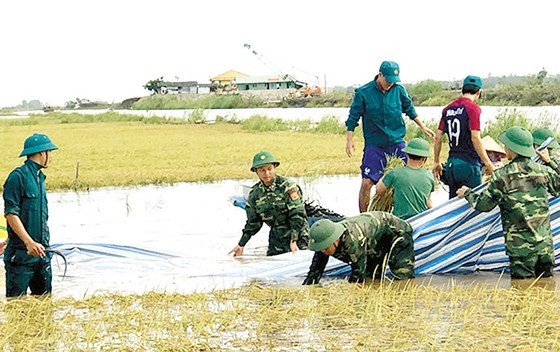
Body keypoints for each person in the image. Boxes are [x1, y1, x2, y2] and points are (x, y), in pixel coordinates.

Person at [457, 126, 560, 279]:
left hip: (521, 251)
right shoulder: (542, 171)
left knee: (521, 294)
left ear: (513, 149)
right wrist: (550, 162)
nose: (504, 149)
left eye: (506, 146)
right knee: (545, 289)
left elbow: (484, 205)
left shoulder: (501, 176)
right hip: (545, 247)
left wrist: (467, 193)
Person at [345, 60, 435, 213]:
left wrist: (423, 126)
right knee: (367, 183)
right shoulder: (363, 92)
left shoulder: (399, 90)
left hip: (397, 143)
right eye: (388, 80)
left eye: (394, 81)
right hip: (375, 144)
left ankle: (415, 212)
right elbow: (353, 117)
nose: (390, 84)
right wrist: (349, 140)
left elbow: (409, 109)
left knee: (412, 174)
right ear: (380, 75)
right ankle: (364, 216)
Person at [3, 133, 58, 297]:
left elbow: (32, 216)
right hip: (21, 256)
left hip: (41, 252)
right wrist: (28, 242)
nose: (51, 156)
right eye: (50, 152)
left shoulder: (40, 178)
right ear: (42, 153)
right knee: (16, 305)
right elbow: (11, 214)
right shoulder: (17, 177)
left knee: (44, 302)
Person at [229, 151, 309, 256]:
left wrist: (294, 239)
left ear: (274, 168)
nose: (267, 174)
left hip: (298, 234)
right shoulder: (255, 194)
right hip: (276, 237)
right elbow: (253, 222)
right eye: (262, 170)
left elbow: (297, 214)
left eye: (269, 169)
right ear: (256, 172)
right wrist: (241, 244)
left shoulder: (288, 187)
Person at [302, 211, 415, 285]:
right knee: (373, 277)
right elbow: (315, 271)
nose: (323, 251)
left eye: (325, 248)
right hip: (374, 240)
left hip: (397, 233)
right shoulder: (325, 242)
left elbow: (358, 276)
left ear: (335, 240)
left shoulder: (353, 240)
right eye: (320, 248)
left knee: (402, 278)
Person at [433, 75, 494, 199]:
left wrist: (436, 161)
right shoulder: (473, 108)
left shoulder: (447, 109)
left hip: (452, 164)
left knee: (453, 206)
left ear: (463, 89)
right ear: (479, 92)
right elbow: (475, 137)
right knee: (474, 203)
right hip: (468, 164)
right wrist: (488, 163)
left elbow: (438, 137)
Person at [376, 138, 435, 220]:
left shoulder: (394, 172)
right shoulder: (429, 176)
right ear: (424, 159)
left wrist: (386, 174)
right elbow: (428, 201)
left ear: (407, 154)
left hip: (399, 221)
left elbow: (379, 190)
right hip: (420, 221)